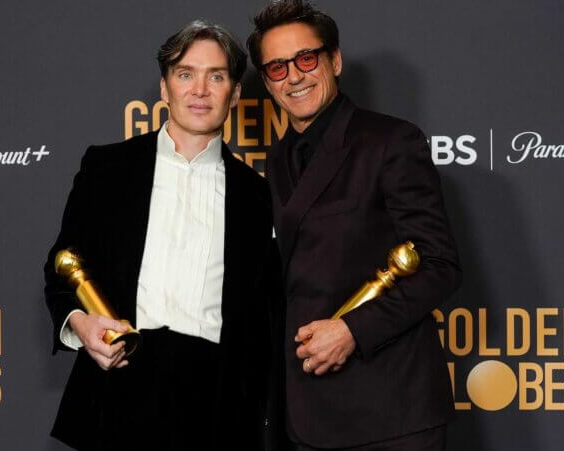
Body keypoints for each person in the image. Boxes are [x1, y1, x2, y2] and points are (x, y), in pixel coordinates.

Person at [44, 20, 280, 451]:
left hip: (220, 402)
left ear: (235, 94)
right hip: (119, 385)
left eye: (217, 76)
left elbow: (268, 312)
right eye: (185, 74)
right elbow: (62, 263)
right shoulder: (107, 168)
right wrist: (81, 322)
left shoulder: (259, 195)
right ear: (165, 88)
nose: (200, 89)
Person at [247, 1, 462, 450]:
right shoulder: (279, 159)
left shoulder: (390, 141)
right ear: (267, 83)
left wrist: (352, 331)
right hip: (306, 415)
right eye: (278, 67)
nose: (295, 76)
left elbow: (439, 264)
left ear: (334, 60)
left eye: (306, 58)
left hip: (390, 412)